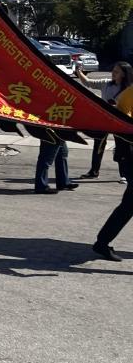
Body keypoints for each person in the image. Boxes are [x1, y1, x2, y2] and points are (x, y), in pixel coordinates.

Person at [93, 75, 133, 261]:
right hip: (131, 158)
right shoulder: (129, 95)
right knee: (128, 206)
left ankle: (102, 242)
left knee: (128, 206)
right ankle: (102, 242)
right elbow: (123, 123)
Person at [81, 62, 133, 179]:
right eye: (113, 71)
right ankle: (93, 171)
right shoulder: (106, 84)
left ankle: (124, 175)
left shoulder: (130, 89)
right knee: (98, 145)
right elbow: (88, 83)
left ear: (124, 74)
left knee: (122, 147)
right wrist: (79, 72)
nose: (113, 74)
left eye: (116, 72)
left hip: (120, 121)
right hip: (104, 120)